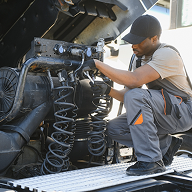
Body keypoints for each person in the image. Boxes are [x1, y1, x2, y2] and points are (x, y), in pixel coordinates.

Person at [80, 15, 192, 176]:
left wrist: (97, 64)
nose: (133, 45)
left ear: (154, 39)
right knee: (114, 128)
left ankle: (150, 161)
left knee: (135, 95)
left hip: (184, 112)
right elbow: (127, 95)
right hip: (163, 112)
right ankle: (165, 146)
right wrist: (107, 90)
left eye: (139, 40)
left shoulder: (167, 54)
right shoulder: (138, 59)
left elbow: (135, 81)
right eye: (132, 40)